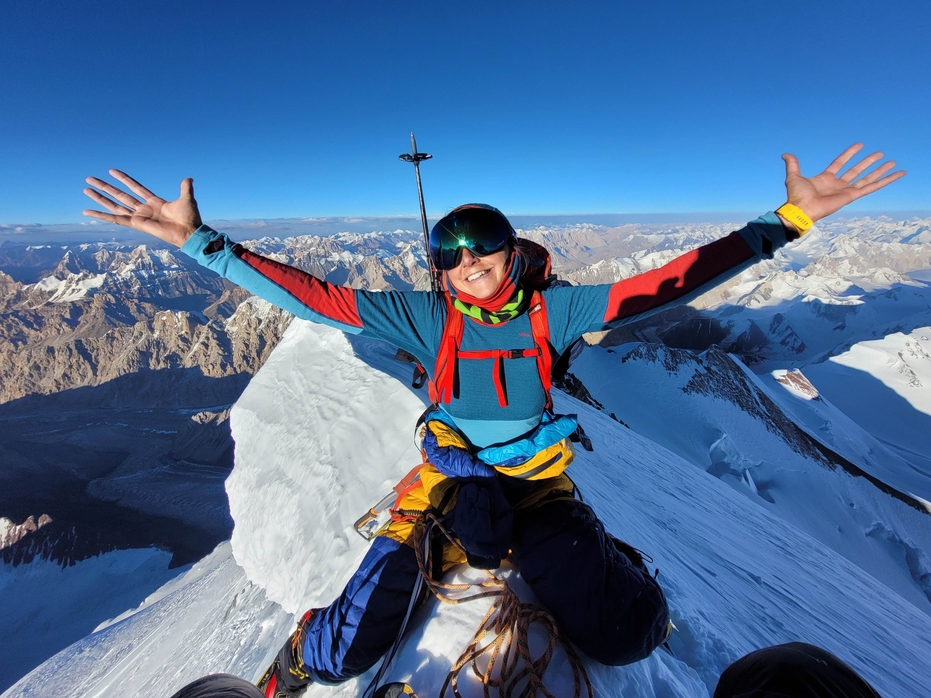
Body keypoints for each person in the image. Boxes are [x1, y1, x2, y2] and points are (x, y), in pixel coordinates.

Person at [84, 144, 903, 698]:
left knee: (621, 631)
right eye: (452, 259)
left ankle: (620, 563)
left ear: (515, 254)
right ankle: (298, 658)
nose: (470, 268)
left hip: (538, 485)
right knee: (346, 644)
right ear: (439, 271)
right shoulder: (422, 320)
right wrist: (200, 242)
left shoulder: (555, 311)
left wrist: (786, 223)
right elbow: (311, 294)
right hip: (441, 480)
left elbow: (667, 283)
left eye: (487, 252)